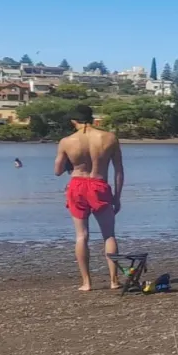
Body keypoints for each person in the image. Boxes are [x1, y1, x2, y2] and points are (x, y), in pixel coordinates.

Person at [53, 104, 124, 291]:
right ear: (92, 118)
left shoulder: (67, 141)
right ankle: (114, 281)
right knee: (109, 235)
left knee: (81, 236)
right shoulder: (109, 137)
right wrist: (117, 196)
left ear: (73, 121)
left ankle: (86, 283)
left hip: (77, 185)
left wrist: (71, 162)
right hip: (99, 185)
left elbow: (57, 171)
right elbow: (118, 170)